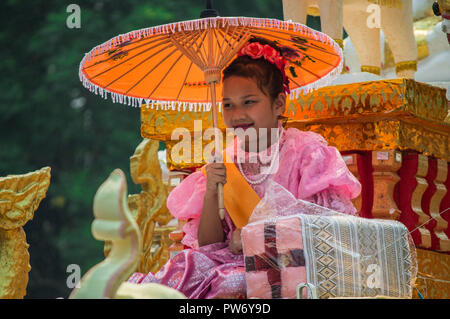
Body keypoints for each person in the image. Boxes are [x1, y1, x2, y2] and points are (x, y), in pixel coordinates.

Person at [127, 37, 362, 299]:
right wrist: (211, 191)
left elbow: (326, 231)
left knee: (231, 283)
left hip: (292, 268)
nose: (237, 114)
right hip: (229, 261)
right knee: (187, 267)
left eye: (249, 102)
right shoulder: (223, 161)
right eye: (228, 105)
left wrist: (254, 238)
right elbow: (209, 246)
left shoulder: (306, 154)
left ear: (278, 104)